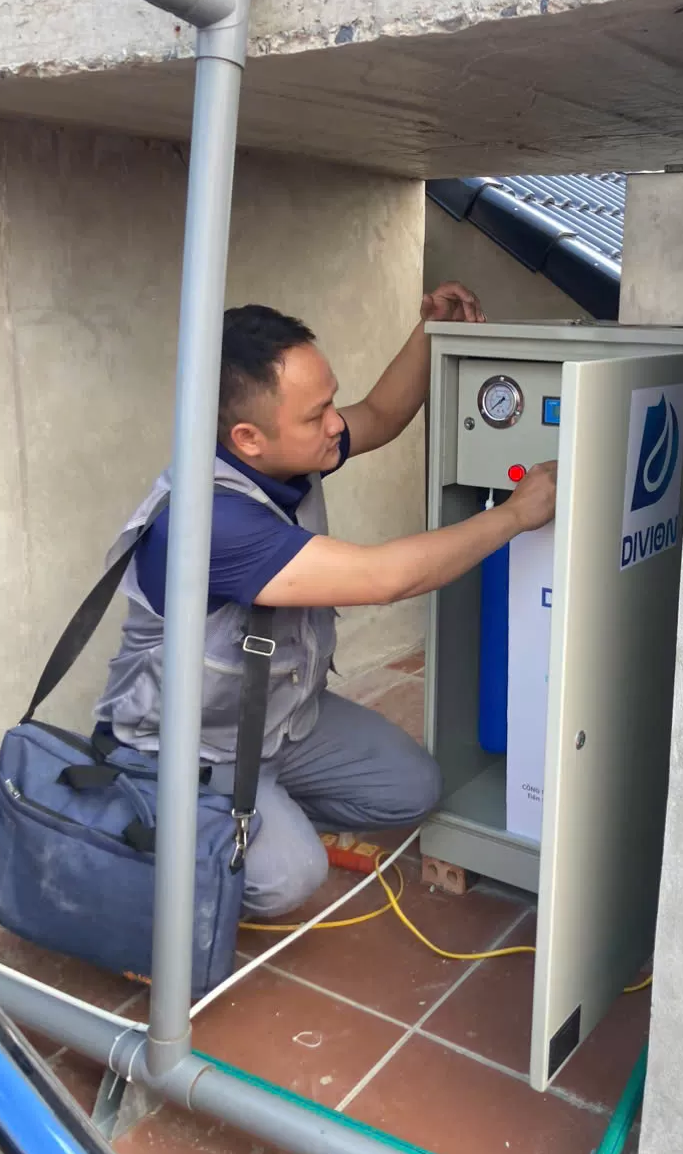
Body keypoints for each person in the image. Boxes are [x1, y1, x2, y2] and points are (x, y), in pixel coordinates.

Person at [93, 284, 557, 917]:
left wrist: (430, 332)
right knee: (291, 877)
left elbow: (381, 414)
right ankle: (156, 826)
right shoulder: (208, 523)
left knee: (412, 788)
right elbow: (385, 578)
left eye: (330, 401)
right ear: (248, 437)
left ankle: (263, 810)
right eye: (316, 416)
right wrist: (515, 516)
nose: (336, 423)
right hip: (193, 746)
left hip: (278, 722)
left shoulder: (284, 460)